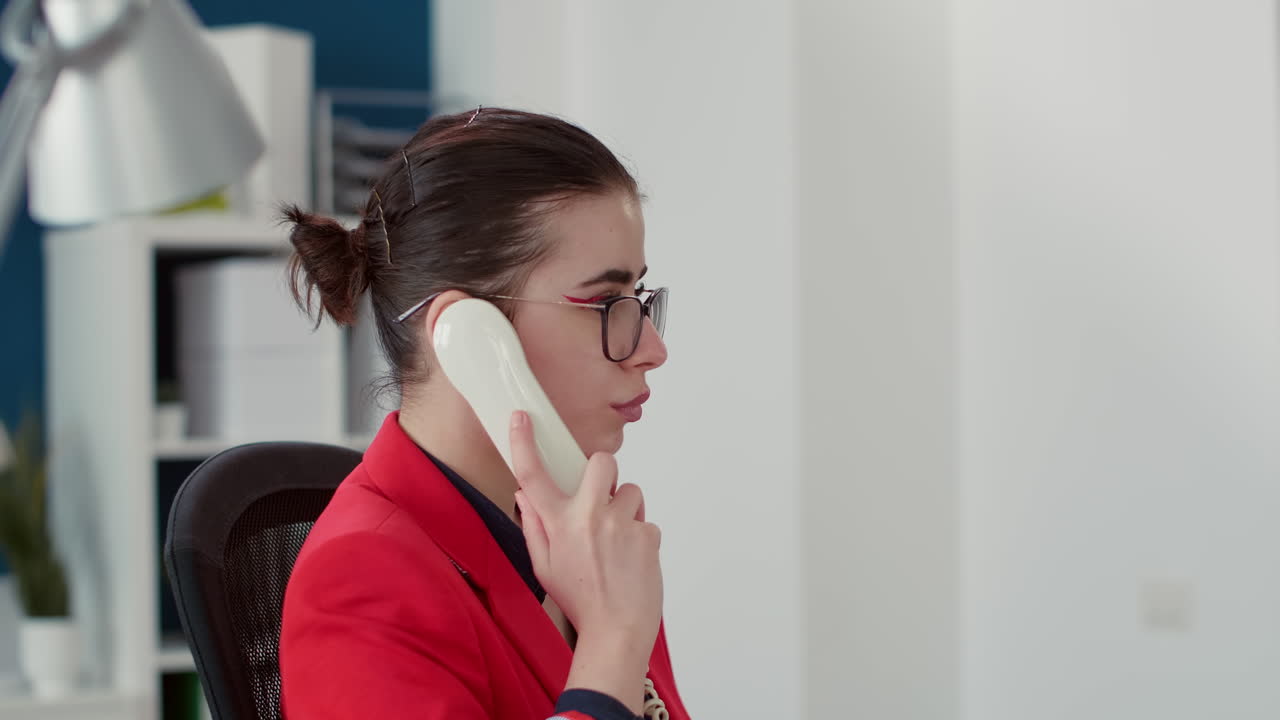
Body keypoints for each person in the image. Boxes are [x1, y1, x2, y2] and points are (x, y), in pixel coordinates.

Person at [277, 107, 689, 720]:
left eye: (638, 299)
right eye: (606, 302)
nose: (652, 351)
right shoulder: (361, 580)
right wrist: (611, 642)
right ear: (469, 337)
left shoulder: (586, 541)